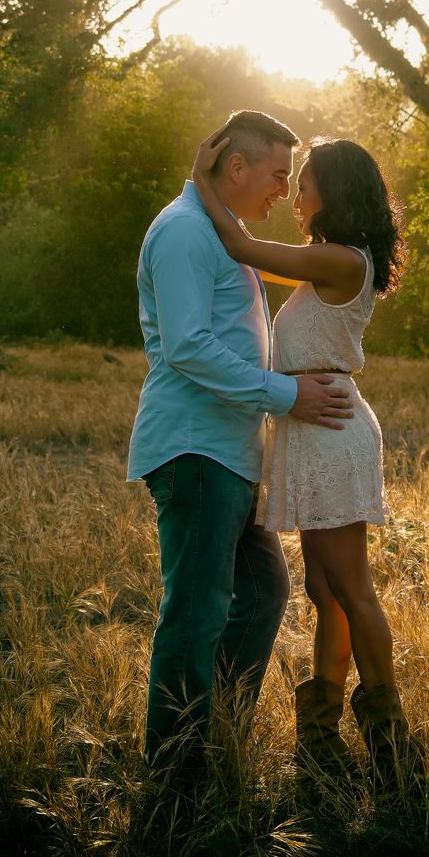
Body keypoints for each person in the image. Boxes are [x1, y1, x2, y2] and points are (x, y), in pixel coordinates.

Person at [127, 110, 354, 779]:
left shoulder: (217, 229)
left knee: (261, 590)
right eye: (279, 174)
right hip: (196, 451)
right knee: (195, 616)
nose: (284, 190)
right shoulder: (183, 233)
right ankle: (176, 780)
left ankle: (220, 738)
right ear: (237, 167)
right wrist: (289, 395)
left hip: (227, 452)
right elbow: (188, 345)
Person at [192, 131, 416, 788]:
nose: (296, 192)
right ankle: (320, 741)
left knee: (351, 587)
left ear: (336, 192)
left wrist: (201, 181)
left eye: (307, 182)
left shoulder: (343, 259)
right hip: (311, 425)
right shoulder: (331, 255)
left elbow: (243, 249)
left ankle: (392, 752)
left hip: (331, 427)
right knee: (325, 590)